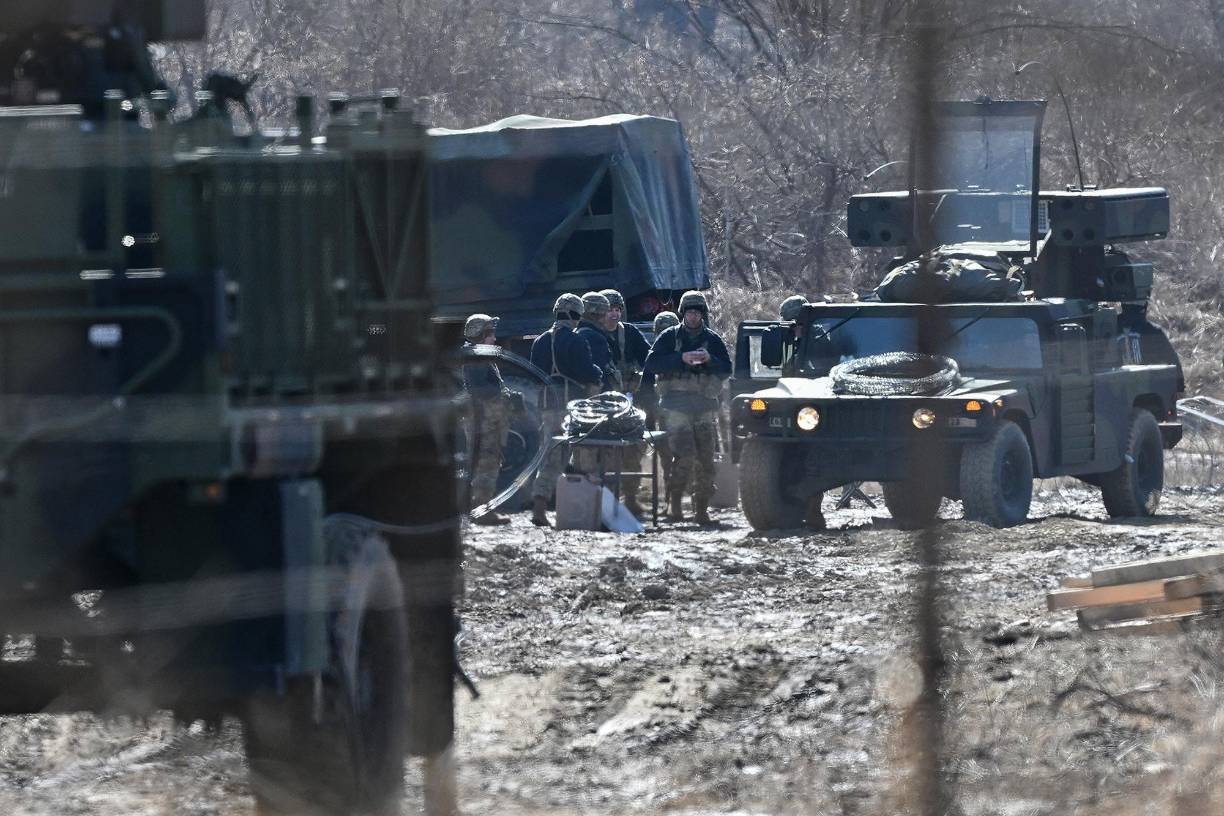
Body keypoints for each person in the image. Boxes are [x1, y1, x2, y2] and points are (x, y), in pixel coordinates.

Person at [643, 291, 731, 524]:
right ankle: (674, 504)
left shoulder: (712, 339)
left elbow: (726, 369)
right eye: (690, 312)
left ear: (703, 315)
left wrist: (709, 359)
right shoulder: (669, 337)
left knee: (706, 459)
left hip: (703, 405)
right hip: (675, 405)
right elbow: (651, 364)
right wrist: (680, 358)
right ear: (683, 313)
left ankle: (701, 508)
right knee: (685, 456)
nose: (693, 317)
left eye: (697, 313)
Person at [529, 294, 603, 527]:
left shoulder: (539, 341)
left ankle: (539, 508)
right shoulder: (576, 340)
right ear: (575, 315)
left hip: (547, 407)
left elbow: (533, 374)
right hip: (573, 408)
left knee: (550, 457)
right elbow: (587, 372)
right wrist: (598, 373)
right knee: (584, 456)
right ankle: (583, 510)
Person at [598, 289, 653, 516]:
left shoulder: (629, 333)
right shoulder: (593, 335)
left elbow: (649, 360)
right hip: (605, 405)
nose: (614, 314)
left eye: (617, 309)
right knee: (607, 453)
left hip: (630, 403)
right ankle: (608, 501)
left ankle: (630, 497)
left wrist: (644, 393)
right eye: (609, 310)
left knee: (633, 450)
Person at [461, 314, 517, 525]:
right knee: (487, 462)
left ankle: (478, 508)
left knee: (487, 461)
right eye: (490, 334)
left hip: (485, 419)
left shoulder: (479, 355)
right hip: (484, 421)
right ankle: (482, 510)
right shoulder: (475, 357)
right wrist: (503, 395)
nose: (494, 338)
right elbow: (479, 390)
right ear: (479, 334)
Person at [577, 291, 618, 390]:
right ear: (597, 315)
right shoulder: (595, 338)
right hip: (598, 396)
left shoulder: (576, 333)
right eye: (604, 314)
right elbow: (600, 373)